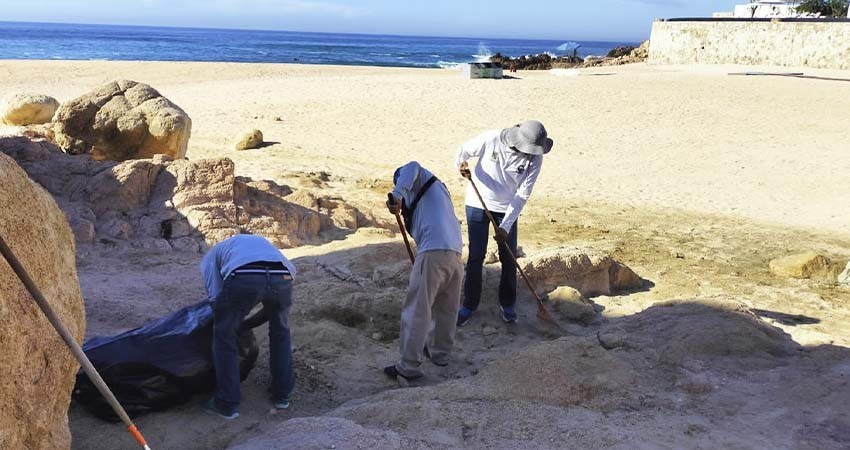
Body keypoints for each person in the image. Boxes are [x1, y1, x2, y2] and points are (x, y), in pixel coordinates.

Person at [455, 120, 553, 326]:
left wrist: (506, 226)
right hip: (477, 202)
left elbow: (522, 194)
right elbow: (463, 150)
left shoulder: (535, 159)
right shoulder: (491, 138)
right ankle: (469, 304)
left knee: (508, 257)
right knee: (475, 256)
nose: (532, 153)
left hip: (507, 208)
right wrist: (461, 165)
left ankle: (507, 303)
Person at [200, 234, 297, 419]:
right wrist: (246, 324)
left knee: (223, 335)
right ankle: (282, 395)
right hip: (282, 275)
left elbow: (215, 299)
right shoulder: (260, 244)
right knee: (281, 332)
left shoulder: (210, 256)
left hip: (244, 276)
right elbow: (277, 296)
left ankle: (226, 403)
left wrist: (231, 324)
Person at [385, 161, 464, 380]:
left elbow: (412, 166)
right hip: (455, 252)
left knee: (418, 310)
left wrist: (398, 194)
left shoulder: (417, 174)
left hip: (433, 251)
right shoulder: (439, 191)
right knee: (447, 307)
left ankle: (408, 366)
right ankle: (440, 353)